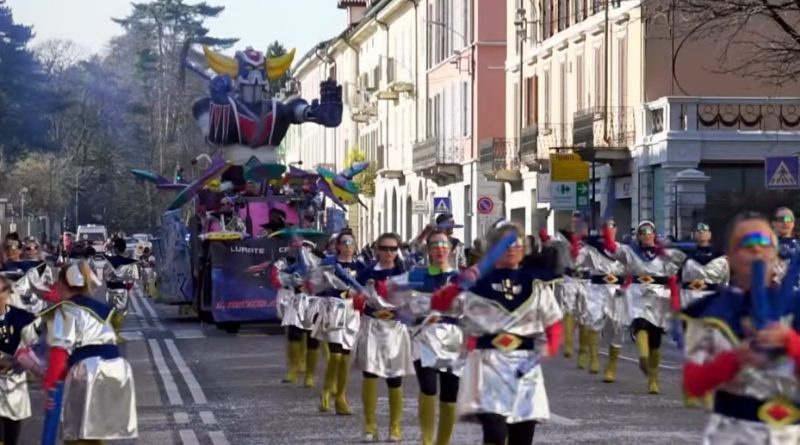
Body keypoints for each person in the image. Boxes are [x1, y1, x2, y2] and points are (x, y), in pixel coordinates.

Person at [431, 222, 562, 445]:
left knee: (522, 434)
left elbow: (553, 323)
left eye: (517, 244)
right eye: (505, 245)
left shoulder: (536, 284)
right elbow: (439, 303)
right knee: (495, 431)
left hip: (524, 364)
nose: (512, 249)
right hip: (487, 364)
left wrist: (548, 347)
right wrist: (462, 281)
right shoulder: (475, 284)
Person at [681, 212, 800, 443]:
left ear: (775, 254)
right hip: (732, 431)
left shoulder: (796, 305)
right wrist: (736, 359)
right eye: (747, 243)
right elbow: (692, 383)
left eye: (764, 243)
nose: (756, 250)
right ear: (731, 257)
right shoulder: (708, 311)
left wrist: (791, 343)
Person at [41, 260, 137, 443]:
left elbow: (59, 353)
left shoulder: (65, 309)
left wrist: (50, 388)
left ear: (62, 285)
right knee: (94, 431)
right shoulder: (98, 308)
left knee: (76, 433)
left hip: (88, 372)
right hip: (116, 371)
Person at [602, 220, 685, 394]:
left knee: (655, 339)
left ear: (654, 235)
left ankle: (653, 377)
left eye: (650, 232)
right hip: (637, 294)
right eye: (643, 232)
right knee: (640, 325)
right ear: (638, 236)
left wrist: (676, 301)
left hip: (659, 297)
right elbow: (611, 248)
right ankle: (643, 358)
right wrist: (607, 228)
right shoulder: (630, 252)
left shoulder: (665, 254)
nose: (647, 235)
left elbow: (675, 275)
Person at [403, 229, 461, 445]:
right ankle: (427, 440)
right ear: (428, 250)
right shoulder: (418, 276)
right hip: (424, 337)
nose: (440, 249)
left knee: (449, 393)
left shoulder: (460, 278)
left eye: (444, 244)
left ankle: (442, 442)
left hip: (452, 339)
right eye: (435, 244)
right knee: (428, 387)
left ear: (451, 249)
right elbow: (405, 306)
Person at [352, 232, 410, 441]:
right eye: (384, 248)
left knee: (395, 379)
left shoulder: (403, 273)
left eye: (393, 249)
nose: (388, 252)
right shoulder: (366, 273)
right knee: (370, 375)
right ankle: (369, 425)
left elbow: (411, 302)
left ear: (398, 251)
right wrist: (358, 298)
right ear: (377, 250)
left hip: (394, 327)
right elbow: (355, 299)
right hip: (372, 325)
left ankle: (395, 427)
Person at [313, 229, 365, 415]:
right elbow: (318, 284)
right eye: (345, 243)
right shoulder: (330, 264)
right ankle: (326, 392)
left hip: (352, 312)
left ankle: (341, 398)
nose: (348, 247)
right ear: (338, 245)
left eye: (351, 243)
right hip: (334, 309)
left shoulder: (360, 266)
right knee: (334, 355)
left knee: (345, 358)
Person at [0, 274, 41, 445]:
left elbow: (35, 346)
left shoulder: (20, 317)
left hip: (13, 385)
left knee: (11, 434)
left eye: (0, 291)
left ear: (8, 292)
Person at [104, 237, 140, 341]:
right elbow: (133, 279)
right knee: (121, 312)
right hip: (122, 289)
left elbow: (101, 275)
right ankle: (116, 333)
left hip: (109, 289)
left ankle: (110, 333)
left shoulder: (107, 261)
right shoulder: (131, 263)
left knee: (110, 311)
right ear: (124, 249)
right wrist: (128, 288)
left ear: (115, 248)